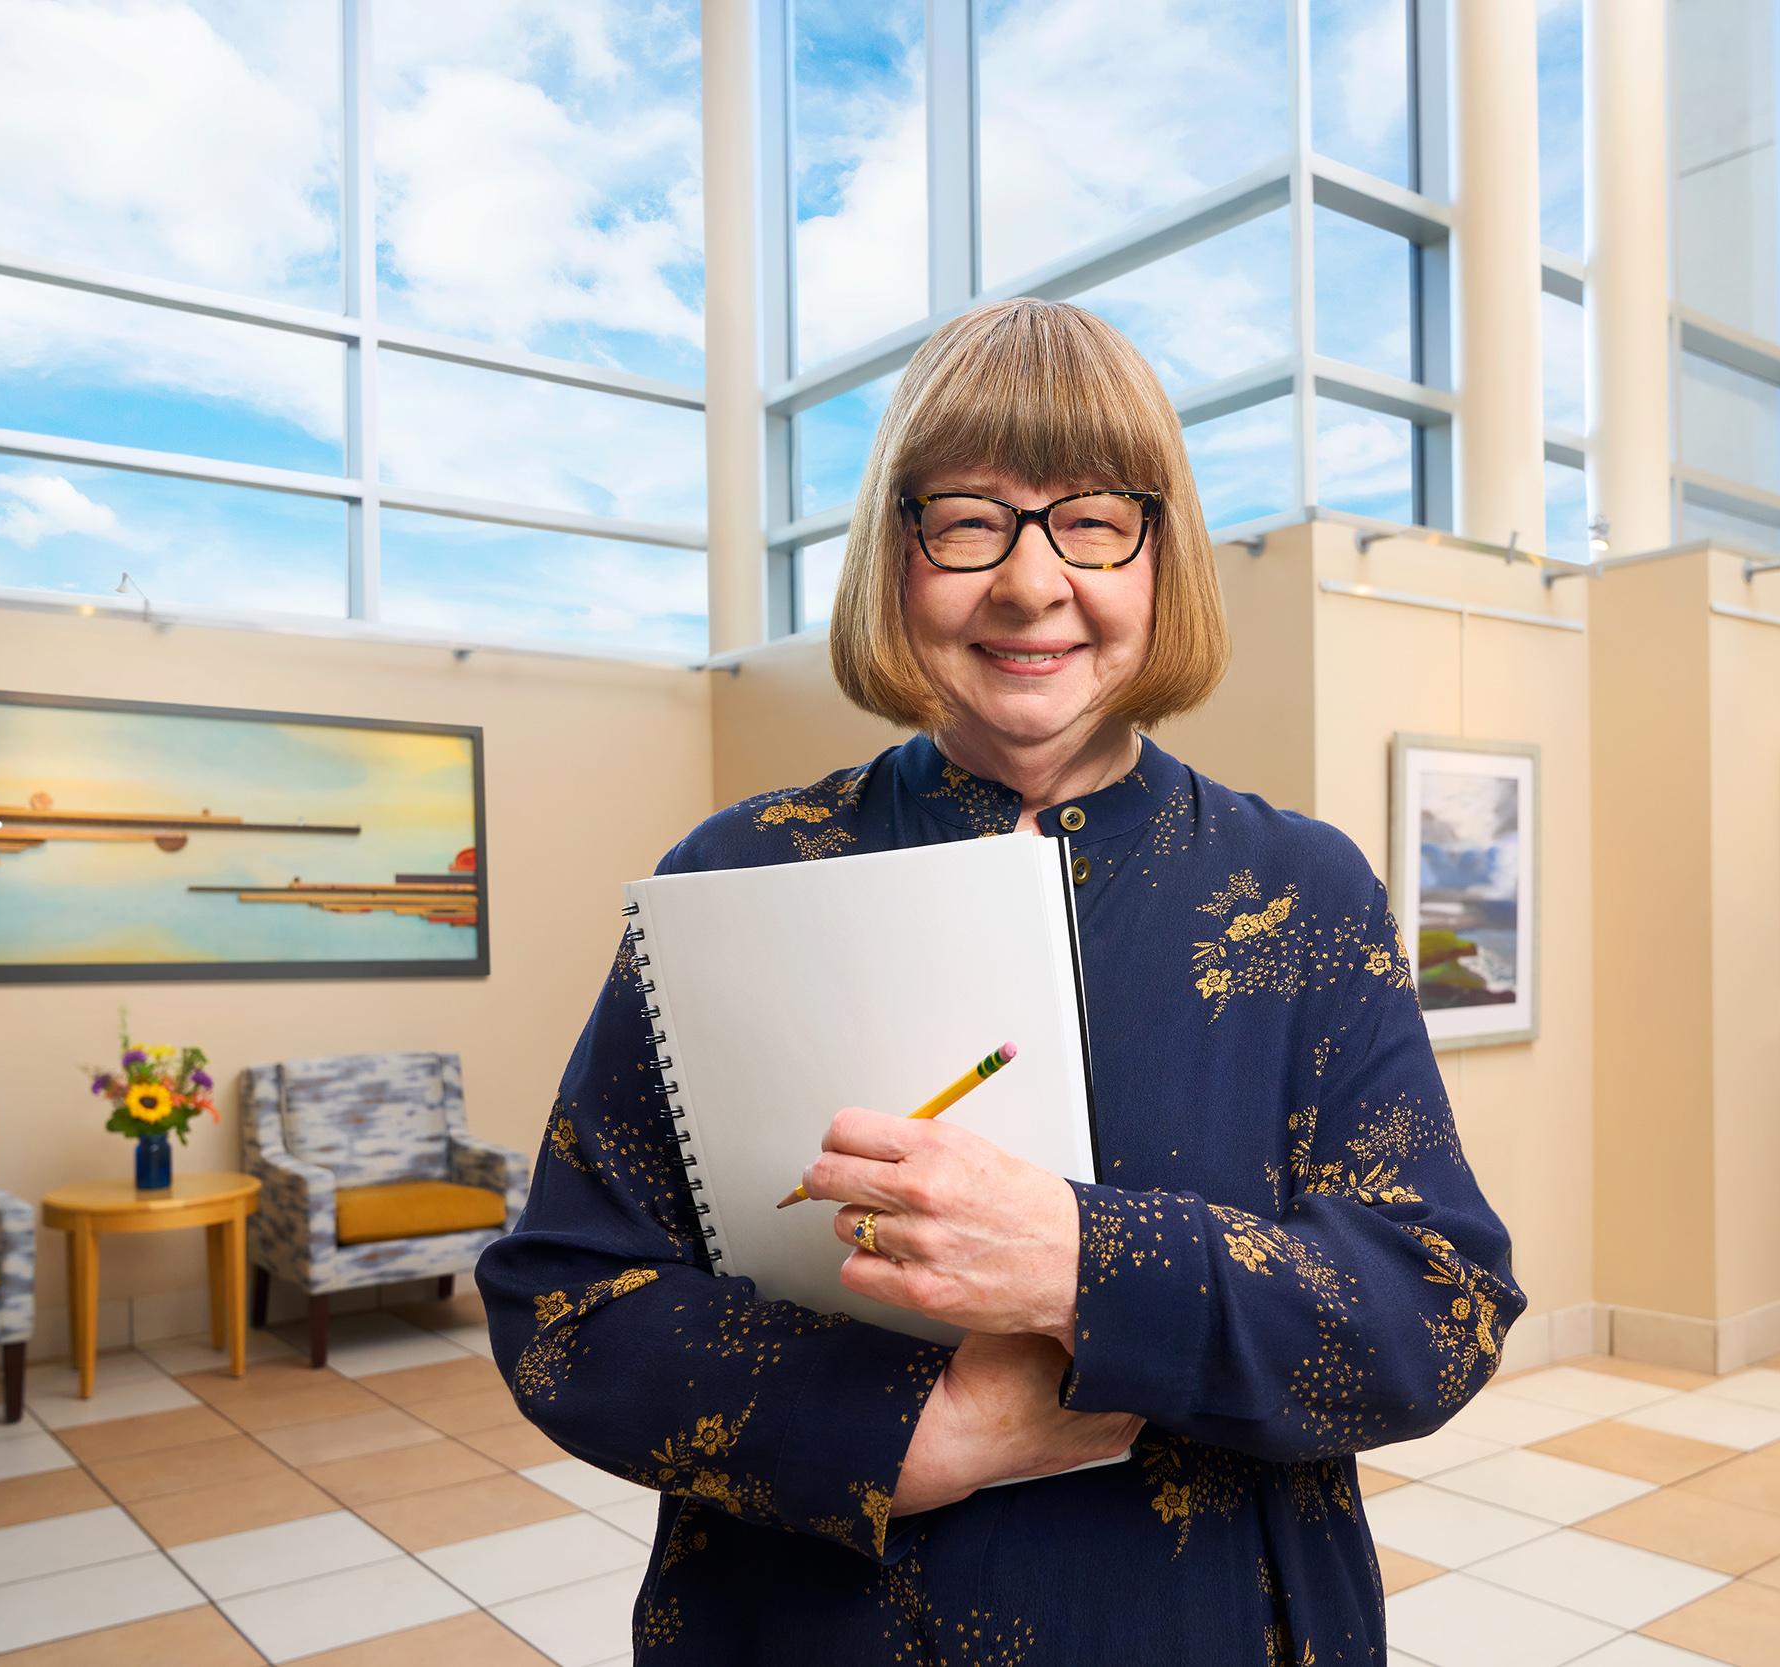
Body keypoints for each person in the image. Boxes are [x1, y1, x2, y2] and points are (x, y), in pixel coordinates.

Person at [477, 298, 1523, 1664]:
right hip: (817, 1625)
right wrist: (924, 1429)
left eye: (1093, 519)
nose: (1033, 583)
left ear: (1162, 557)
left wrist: (1085, 1261)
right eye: (969, 518)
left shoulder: (1303, 889)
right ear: (894, 555)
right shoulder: (737, 871)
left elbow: (1437, 1308)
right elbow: (564, 1304)